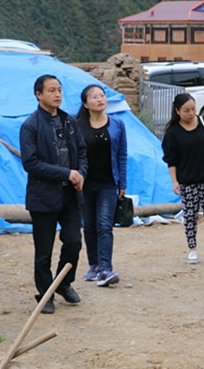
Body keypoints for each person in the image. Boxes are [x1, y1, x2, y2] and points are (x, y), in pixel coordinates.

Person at [19, 74, 88, 314]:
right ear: (39, 94)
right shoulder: (30, 126)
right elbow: (31, 163)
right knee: (44, 251)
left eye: (59, 90)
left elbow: (82, 152)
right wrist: (66, 173)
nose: (57, 94)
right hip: (43, 196)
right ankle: (45, 294)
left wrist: (80, 174)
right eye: (51, 90)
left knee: (74, 241)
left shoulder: (69, 121)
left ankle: (63, 283)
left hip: (70, 195)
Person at [162, 93, 204, 266]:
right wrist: (175, 181)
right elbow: (171, 160)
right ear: (177, 111)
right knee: (190, 215)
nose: (191, 113)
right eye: (186, 110)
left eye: (193, 109)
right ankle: (192, 249)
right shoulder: (173, 133)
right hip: (187, 180)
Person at [76, 84, 127, 288]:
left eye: (102, 95)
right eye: (94, 97)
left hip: (108, 183)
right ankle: (94, 265)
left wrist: (122, 182)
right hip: (85, 184)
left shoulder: (117, 125)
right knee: (89, 226)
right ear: (85, 103)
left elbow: (122, 155)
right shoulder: (77, 126)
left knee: (105, 225)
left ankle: (106, 268)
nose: (100, 99)